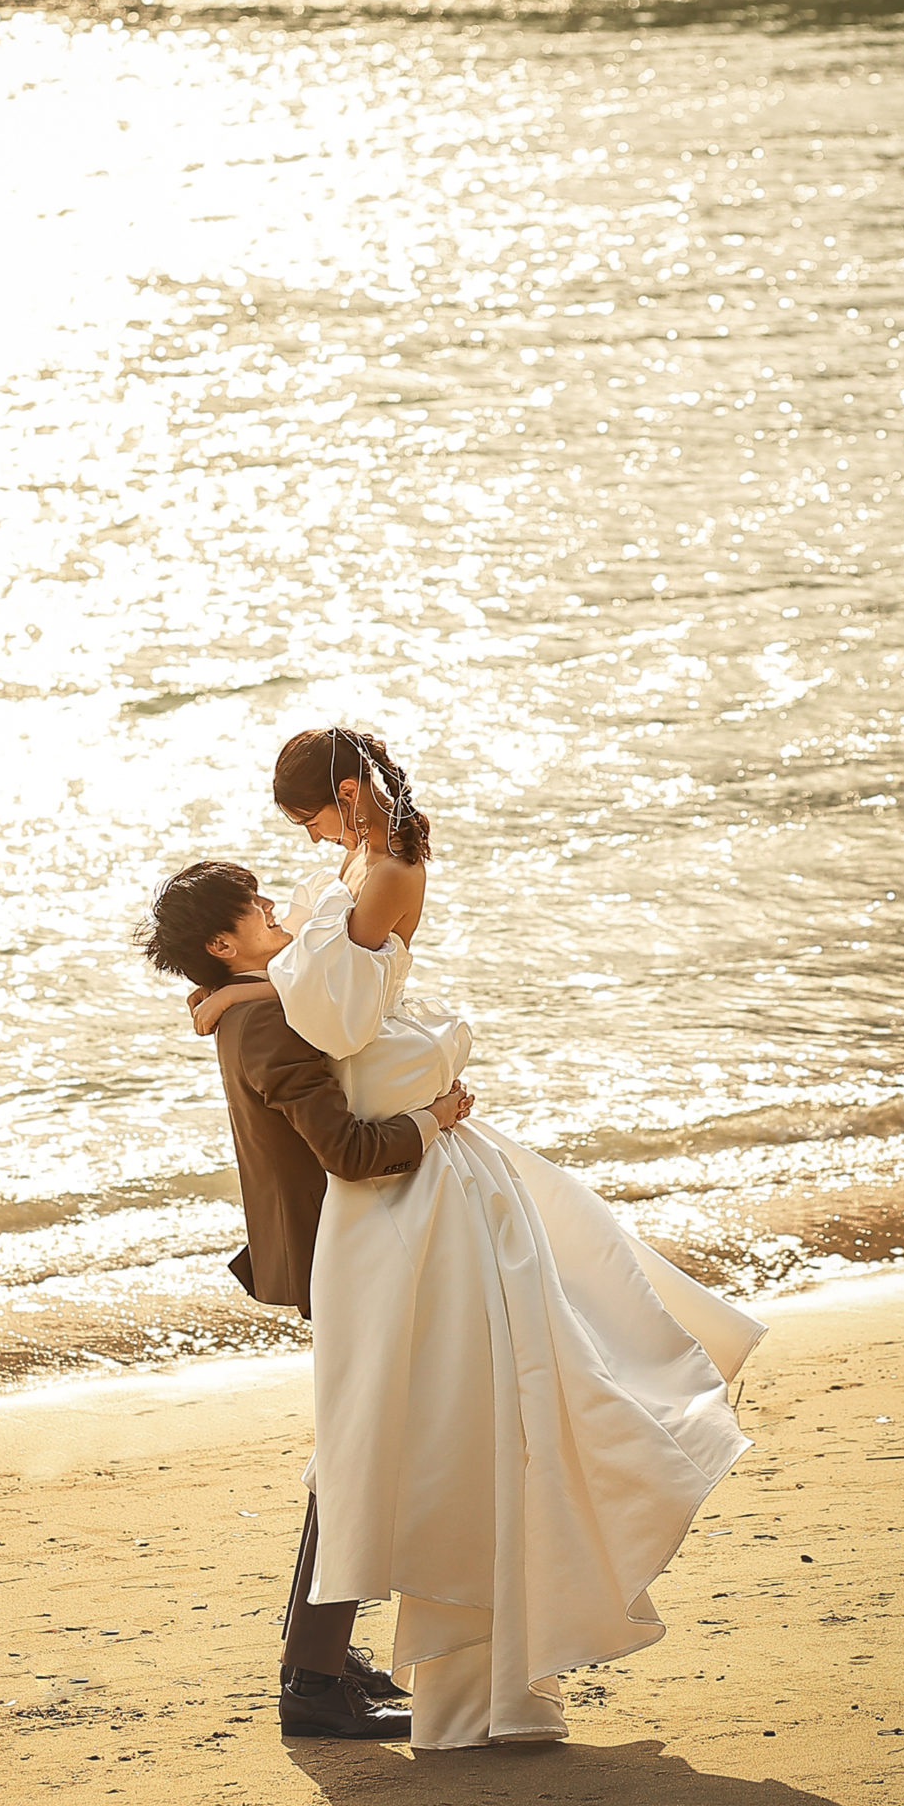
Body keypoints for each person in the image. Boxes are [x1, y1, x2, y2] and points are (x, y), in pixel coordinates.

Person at [189, 727, 765, 1750]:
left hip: (391, 1217)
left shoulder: (360, 896)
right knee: (374, 1445)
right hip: (369, 1223)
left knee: (386, 1440)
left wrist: (242, 997)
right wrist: (413, 1103)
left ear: (347, 796)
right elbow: (337, 1071)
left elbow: (332, 1017)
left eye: (310, 818)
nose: (305, 849)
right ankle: (313, 1670)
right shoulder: (330, 921)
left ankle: (318, 1663)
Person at [137, 859, 472, 1743]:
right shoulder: (267, 1023)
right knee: (356, 1459)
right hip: (351, 1257)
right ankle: (312, 1681)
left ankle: (316, 1656)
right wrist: (432, 1118)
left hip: (346, 1252)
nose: (269, 904)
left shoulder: (245, 1009)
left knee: (354, 1455)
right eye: (250, 906)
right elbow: (348, 1152)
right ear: (222, 944)